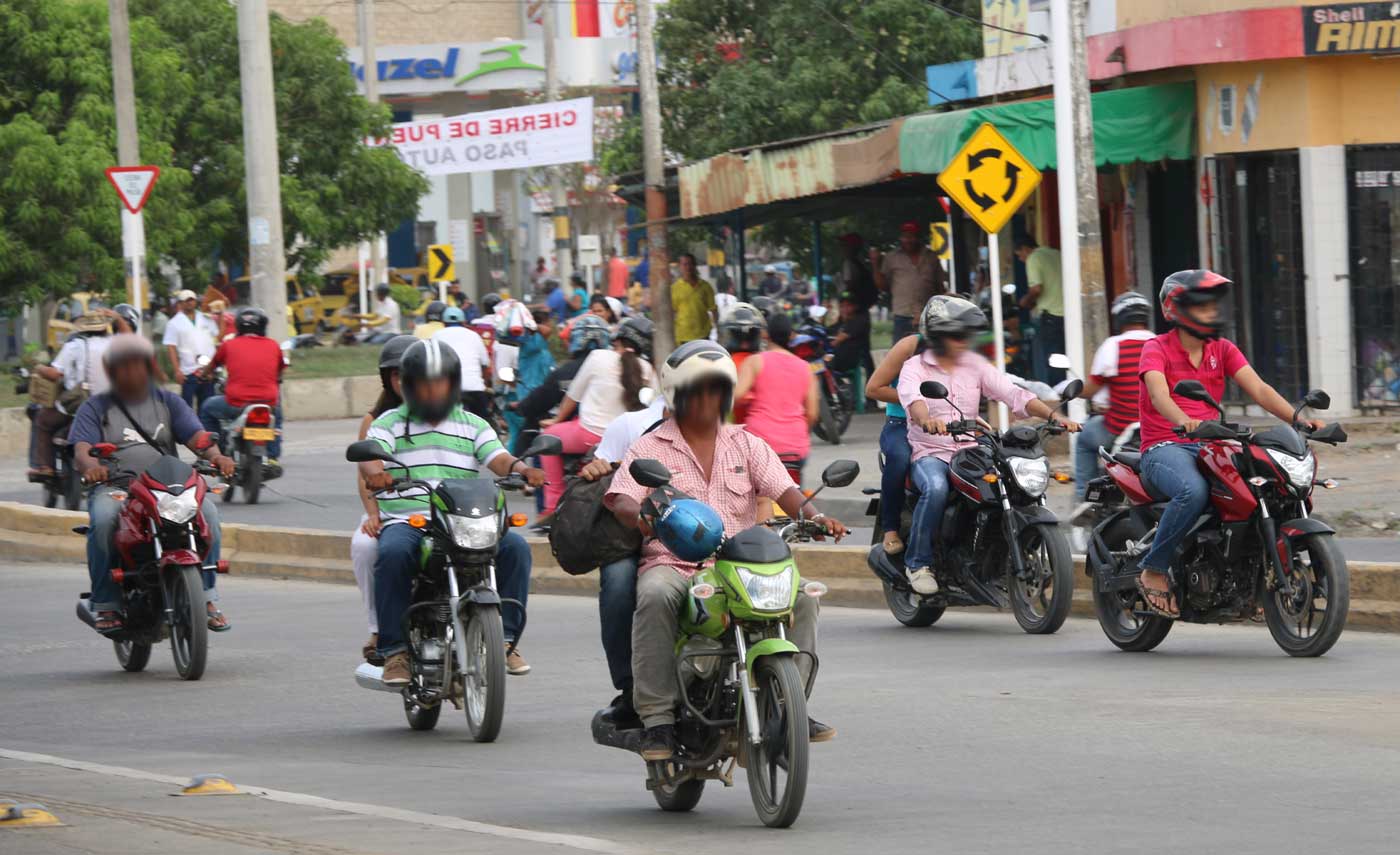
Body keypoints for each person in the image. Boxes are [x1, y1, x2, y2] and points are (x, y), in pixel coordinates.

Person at [605, 340, 845, 759]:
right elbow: (622, 495)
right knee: (655, 594)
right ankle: (658, 720)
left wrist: (816, 516)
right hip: (675, 563)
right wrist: (641, 511)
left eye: (717, 389)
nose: (710, 399)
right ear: (678, 395)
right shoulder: (650, 447)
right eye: (700, 390)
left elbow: (785, 489)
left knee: (803, 597)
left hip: (740, 565)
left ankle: (791, 708)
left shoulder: (746, 443)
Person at [1132, 270, 1325, 617]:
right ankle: (1154, 569)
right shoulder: (1155, 348)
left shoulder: (1221, 349)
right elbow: (1159, 395)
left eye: (1212, 306)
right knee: (1193, 492)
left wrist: (1298, 420)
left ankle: (1250, 575)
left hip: (1214, 444)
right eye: (1201, 306)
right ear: (1176, 309)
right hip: (1165, 446)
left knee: (1265, 486)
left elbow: (1261, 390)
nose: (1210, 313)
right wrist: (1183, 421)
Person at [358, 339, 545, 683]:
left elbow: (497, 459)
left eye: (441, 381)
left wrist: (522, 468)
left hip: (466, 518)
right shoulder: (389, 423)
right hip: (410, 519)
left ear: (453, 384)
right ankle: (395, 651)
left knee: (516, 549)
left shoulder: (473, 424)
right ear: (409, 385)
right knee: (393, 552)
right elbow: (371, 455)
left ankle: (506, 640)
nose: (433, 389)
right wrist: (376, 473)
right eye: (424, 382)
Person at [897, 295, 1079, 595]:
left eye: (966, 336)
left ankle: (993, 553)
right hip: (931, 452)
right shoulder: (915, 368)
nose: (963, 342)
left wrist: (1054, 416)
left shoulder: (975, 365)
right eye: (956, 335)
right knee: (937, 488)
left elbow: (1013, 394)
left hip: (971, 450)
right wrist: (927, 419)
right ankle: (918, 563)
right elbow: (914, 401)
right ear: (937, 335)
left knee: (1010, 482)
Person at [70, 335, 237, 633]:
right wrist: (93, 467)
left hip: (166, 488)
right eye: (125, 366)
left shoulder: (169, 402)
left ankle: (208, 598)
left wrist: (217, 456)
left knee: (209, 514)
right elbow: (82, 448)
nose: (133, 372)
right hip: (118, 487)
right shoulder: (95, 407)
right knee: (105, 519)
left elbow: (197, 437)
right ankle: (106, 604)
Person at [577, 390, 667, 730]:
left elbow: (763, 492)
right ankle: (631, 686)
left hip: (704, 537)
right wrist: (596, 470)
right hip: (637, 537)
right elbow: (607, 482)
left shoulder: (734, 436)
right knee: (618, 581)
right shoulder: (635, 429)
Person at [538, 317, 654, 515]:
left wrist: (556, 421)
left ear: (616, 340)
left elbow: (573, 396)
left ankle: (552, 505)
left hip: (587, 433)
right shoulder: (647, 369)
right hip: (628, 441)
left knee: (545, 439)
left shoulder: (598, 356)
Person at [350, 335, 416, 663]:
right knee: (365, 546)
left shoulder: (447, 413)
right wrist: (373, 514)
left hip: (436, 509)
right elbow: (365, 475)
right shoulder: (376, 422)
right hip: (389, 509)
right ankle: (379, 629)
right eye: (397, 374)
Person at [1070, 291, 1155, 508]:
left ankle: (1086, 498)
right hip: (1157, 428)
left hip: (1120, 428)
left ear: (1119, 318)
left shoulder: (1113, 345)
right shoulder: (1161, 343)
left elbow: (1092, 388)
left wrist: (1073, 390)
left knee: (1084, 440)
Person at [733, 312, 819, 481]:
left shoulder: (755, 361)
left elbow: (736, 396)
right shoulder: (806, 368)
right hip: (795, 448)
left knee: (754, 499)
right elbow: (813, 414)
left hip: (759, 443)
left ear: (765, 334)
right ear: (791, 336)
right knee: (795, 496)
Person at [197, 308, 286, 466]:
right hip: (268, 403)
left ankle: (217, 450)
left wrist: (204, 374)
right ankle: (272, 457)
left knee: (207, 407)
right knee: (277, 415)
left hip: (237, 403)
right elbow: (280, 372)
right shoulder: (274, 345)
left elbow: (212, 366)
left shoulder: (229, 345)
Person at [29, 314, 112, 479]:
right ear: (104, 328)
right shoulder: (115, 345)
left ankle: (45, 467)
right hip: (111, 404)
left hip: (81, 402)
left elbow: (55, 373)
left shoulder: (75, 345)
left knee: (43, 421)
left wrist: (39, 368)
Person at [865, 331, 922, 555]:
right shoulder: (908, 346)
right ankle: (890, 528)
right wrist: (915, 399)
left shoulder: (961, 352)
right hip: (901, 423)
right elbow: (873, 389)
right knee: (899, 458)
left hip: (946, 423)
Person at [872, 222, 942, 342]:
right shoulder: (891, 258)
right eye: (905, 236)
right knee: (901, 355)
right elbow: (882, 286)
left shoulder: (931, 257)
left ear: (918, 237)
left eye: (912, 236)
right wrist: (875, 263)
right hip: (902, 316)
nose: (908, 240)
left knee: (931, 353)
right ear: (901, 238)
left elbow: (939, 286)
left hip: (927, 315)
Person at [1014, 236, 1066, 385]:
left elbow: (1036, 289)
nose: (1021, 259)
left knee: (1053, 361)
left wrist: (1026, 300)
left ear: (1025, 249)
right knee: (1068, 359)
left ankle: (1059, 400)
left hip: (1052, 317)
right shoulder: (1056, 253)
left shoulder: (1033, 258)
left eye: (1020, 255)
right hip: (1070, 315)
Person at [432, 306, 492, 420]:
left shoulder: (436, 336)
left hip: (447, 390)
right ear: (464, 322)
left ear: (444, 323)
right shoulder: (474, 336)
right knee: (484, 425)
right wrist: (483, 383)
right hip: (474, 388)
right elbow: (485, 364)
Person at [163, 289, 219, 409]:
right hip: (188, 371)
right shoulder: (173, 323)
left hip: (207, 370)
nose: (189, 303)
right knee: (186, 407)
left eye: (191, 300)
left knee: (207, 407)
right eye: (186, 301)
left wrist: (221, 314)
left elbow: (217, 336)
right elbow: (171, 347)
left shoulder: (206, 318)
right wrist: (177, 370)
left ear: (195, 301)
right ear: (180, 303)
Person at [670, 253, 717, 345]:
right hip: (683, 336)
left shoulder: (705, 286)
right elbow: (672, 312)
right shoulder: (675, 288)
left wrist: (718, 330)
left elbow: (713, 309)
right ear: (680, 267)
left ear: (695, 266)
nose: (688, 267)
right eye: (685, 264)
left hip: (703, 334)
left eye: (690, 264)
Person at [828, 290, 873, 378]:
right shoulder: (840, 323)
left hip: (855, 362)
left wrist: (828, 344)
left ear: (855, 306)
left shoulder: (860, 321)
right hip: (840, 360)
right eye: (842, 306)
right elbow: (827, 332)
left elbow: (837, 340)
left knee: (824, 363)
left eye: (848, 305)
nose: (844, 309)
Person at [838, 233, 879, 311]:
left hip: (852, 310)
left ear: (853, 247)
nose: (841, 248)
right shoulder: (861, 264)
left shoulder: (848, 263)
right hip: (861, 307)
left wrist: (842, 298)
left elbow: (848, 289)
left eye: (844, 245)